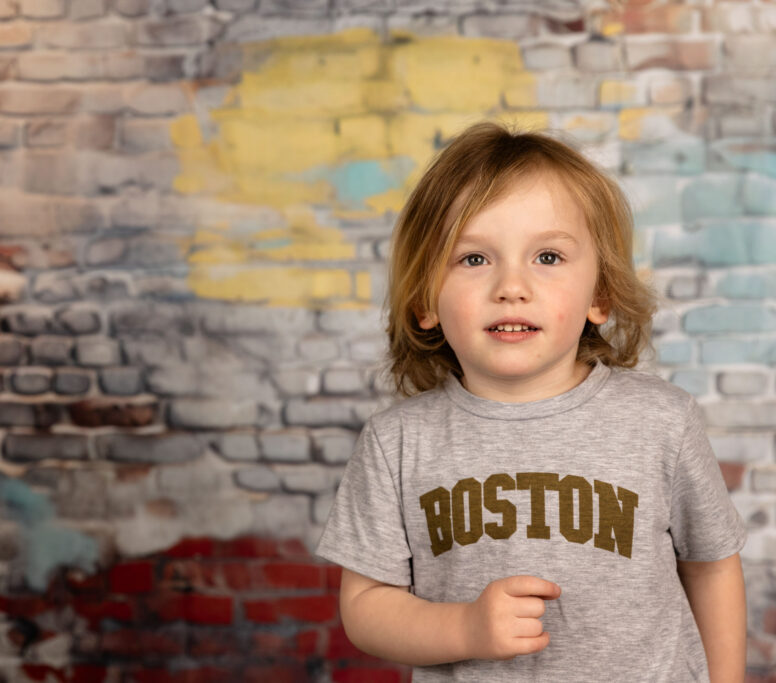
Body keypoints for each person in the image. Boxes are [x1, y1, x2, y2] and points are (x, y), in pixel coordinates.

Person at [315, 122, 747, 681]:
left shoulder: (661, 422)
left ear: (600, 295)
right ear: (425, 299)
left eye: (547, 257)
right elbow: (367, 608)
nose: (511, 286)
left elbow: (712, 568)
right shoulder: (398, 443)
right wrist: (465, 629)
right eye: (474, 259)